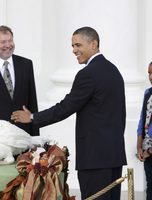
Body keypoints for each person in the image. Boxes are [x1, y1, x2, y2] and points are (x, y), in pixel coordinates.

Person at [11, 26, 127, 200]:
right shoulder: (113, 70)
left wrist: (33, 117)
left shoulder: (88, 74)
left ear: (94, 44)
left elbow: (65, 107)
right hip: (113, 156)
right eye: (73, 46)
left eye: (78, 45)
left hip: (94, 158)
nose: (74, 50)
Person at [137, 62, 152, 200]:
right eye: (149, 73)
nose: (151, 76)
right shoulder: (147, 93)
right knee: (150, 186)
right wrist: (139, 146)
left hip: (150, 151)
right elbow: (143, 120)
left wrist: (149, 151)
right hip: (148, 150)